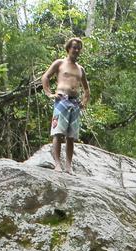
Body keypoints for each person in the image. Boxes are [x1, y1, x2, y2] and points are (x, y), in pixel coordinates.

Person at [40, 37, 91, 175]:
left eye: (78, 48)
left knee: (71, 136)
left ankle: (68, 166)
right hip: (61, 100)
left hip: (74, 103)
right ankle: (57, 164)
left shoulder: (81, 69)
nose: (76, 50)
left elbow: (87, 90)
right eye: (74, 47)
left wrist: (84, 102)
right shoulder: (60, 63)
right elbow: (45, 77)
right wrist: (49, 93)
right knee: (58, 133)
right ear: (68, 48)